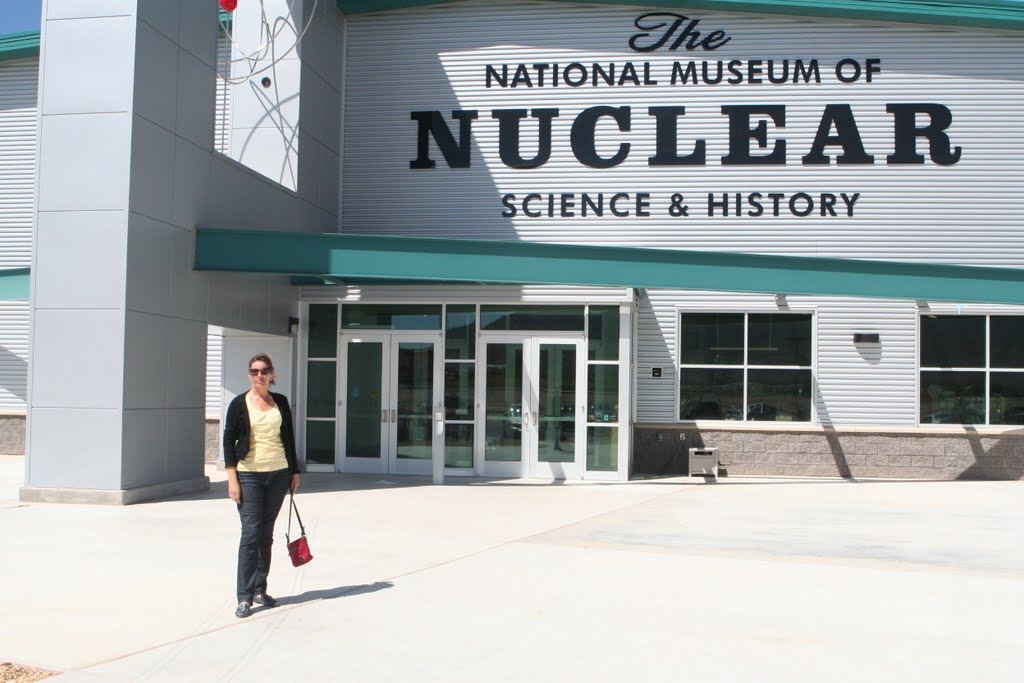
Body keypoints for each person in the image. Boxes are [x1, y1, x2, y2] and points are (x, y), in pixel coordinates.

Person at [223, 353, 301, 618]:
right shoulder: (238, 403)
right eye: (255, 371)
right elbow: (228, 440)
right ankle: (244, 596)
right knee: (250, 535)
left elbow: (288, 436)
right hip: (249, 475)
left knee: (266, 534)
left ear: (272, 373)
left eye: (264, 371)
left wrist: (294, 470)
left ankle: (260, 589)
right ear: (249, 374)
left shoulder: (280, 401)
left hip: (278, 474)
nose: (260, 375)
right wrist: (232, 478)